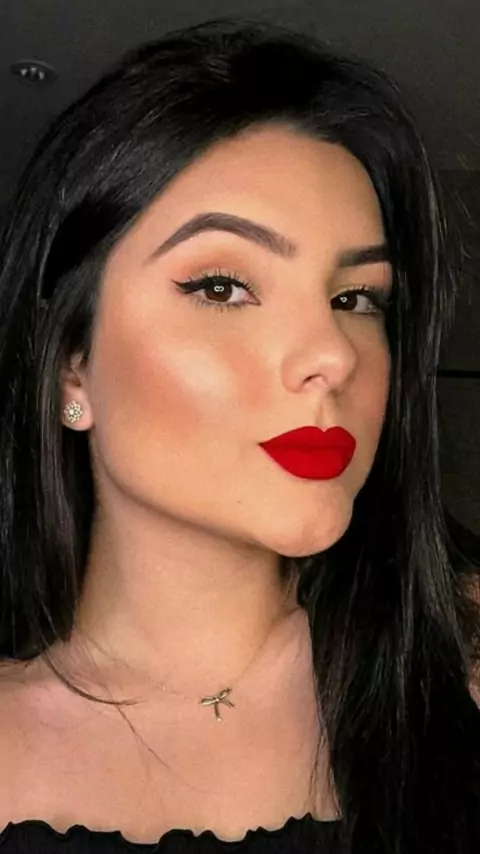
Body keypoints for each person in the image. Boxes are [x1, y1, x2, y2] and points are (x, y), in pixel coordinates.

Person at [0, 14, 479, 854]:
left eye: (356, 298)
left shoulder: (458, 672)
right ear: (72, 365)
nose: (332, 354)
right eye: (222, 287)